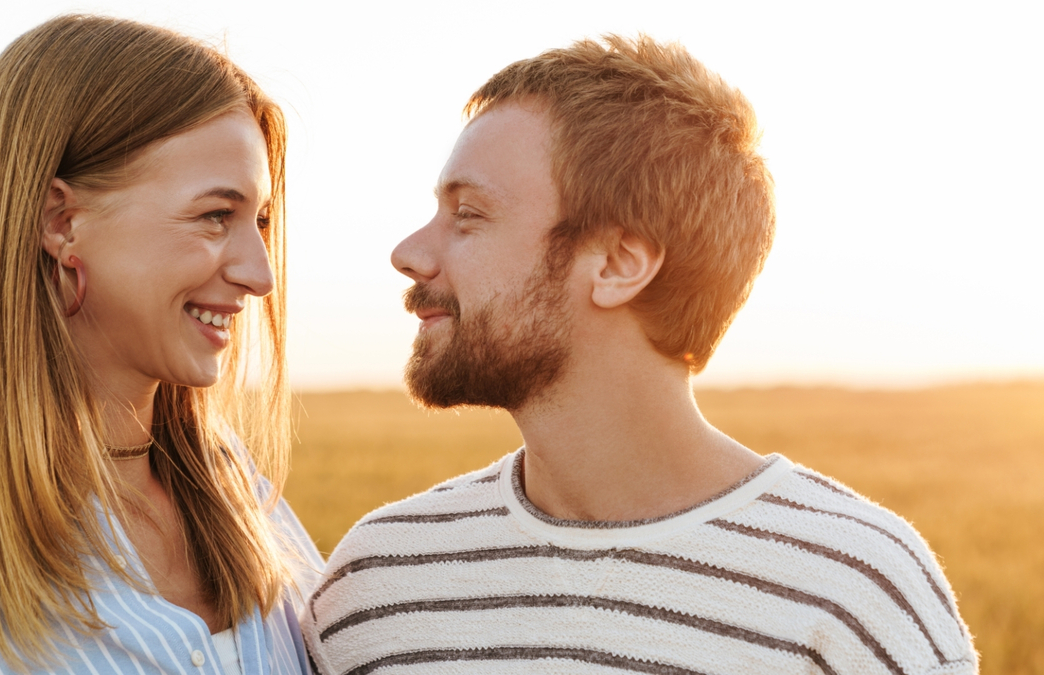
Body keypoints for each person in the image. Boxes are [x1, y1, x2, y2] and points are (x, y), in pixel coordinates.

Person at [304, 34, 977, 675]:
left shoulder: (856, 597)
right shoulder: (377, 587)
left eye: (469, 214)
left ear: (620, 263)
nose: (410, 253)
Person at [0, 15, 321, 675]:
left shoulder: (243, 499)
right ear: (61, 222)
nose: (260, 273)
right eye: (215, 215)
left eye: (260, 220)